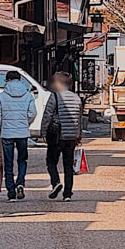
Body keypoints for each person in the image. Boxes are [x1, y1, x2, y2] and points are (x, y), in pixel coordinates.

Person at [0, 72, 35, 200]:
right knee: (22, 160)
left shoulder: (1, 97)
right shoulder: (28, 95)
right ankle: (20, 182)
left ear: (7, 80)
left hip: (7, 133)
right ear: (20, 79)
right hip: (22, 132)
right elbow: (32, 113)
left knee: (8, 162)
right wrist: (25, 122)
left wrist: (3, 124)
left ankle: (11, 191)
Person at [42, 72, 83, 200]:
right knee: (68, 166)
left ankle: (56, 182)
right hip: (71, 137)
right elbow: (80, 119)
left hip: (57, 136)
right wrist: (79, 135)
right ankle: (67, 194)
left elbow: (47, 116)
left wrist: (43, 132)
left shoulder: (55, 96)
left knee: (51, 161)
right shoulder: (76, 98)